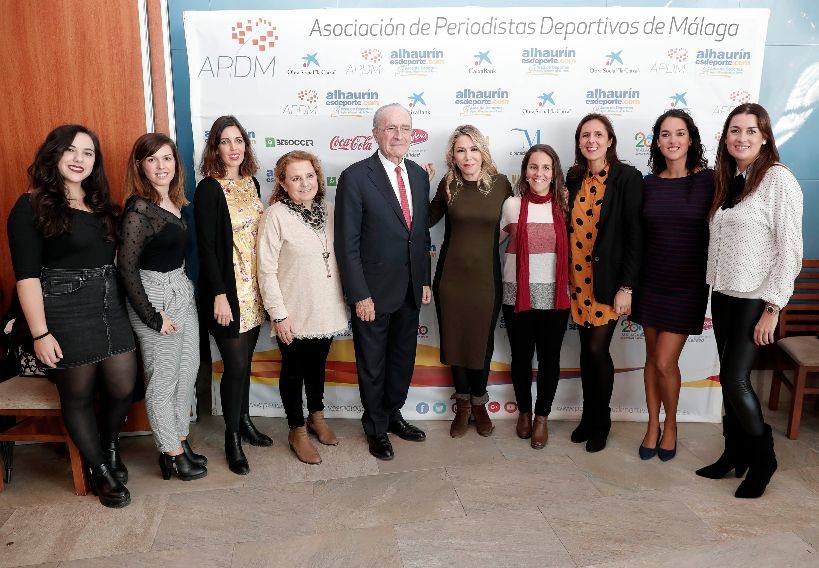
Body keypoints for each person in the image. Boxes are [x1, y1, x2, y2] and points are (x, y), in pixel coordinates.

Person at [7, 125, 137, 507]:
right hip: (62, 309)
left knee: (122, 387)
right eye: (71, 150)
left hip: (109, 305)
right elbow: (27, 277)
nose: (80, 159)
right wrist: (40, 333)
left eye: (88, 153)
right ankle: (99, 469)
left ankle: (109, 446)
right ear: (55, 154)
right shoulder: (30, 205)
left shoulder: (101, 206)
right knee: (77, 395)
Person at [697, 103, 802, 498]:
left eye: (750, 131)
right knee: (728, 381)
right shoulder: (732, 179)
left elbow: (790, 250)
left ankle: (764, 458)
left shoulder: (778, 180)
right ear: (726, 138)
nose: (742, 138)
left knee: (735, 379)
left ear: (765, 137)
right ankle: (733, 454)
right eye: (735, 130)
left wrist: (773, 308)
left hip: (756, 298)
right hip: (723, 293)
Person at [334, 103, 432, 460]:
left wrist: (423, 280)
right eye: (390, 128)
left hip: (409, 289)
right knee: (373, 364)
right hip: (372, 294)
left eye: (404, 128)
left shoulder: (420, 176)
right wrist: (359, 294)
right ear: (375, 134)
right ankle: (375, 427)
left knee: (402, 360)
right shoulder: (356, 176)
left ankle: (393, 414)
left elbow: (419, 235)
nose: (398, 134)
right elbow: (347, 244)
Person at [119, 133, 207, 481]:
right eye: (152, 159)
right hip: (153, 296)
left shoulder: (175, 201)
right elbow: (126, 269)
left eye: (167, 158)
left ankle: (180, 441)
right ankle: (170, 453)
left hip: (180, 288)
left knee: (187, 372)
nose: (161, 166)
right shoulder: (138, 209)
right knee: (164, 379)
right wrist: (153, 317)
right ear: (140, 165)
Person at [630, 110, 714, 462]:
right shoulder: (648, 184)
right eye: (665, 134)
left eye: (680, 133)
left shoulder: (710, 180)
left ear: (691, 139)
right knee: (652, 359)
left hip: (688, 284)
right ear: (657, 141)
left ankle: (673, 424)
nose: (673, 140)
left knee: (666, 360)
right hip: (651, 281)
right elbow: (636, 236)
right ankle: (653, 425)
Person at [257, 151, 348, 465]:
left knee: (318, 366)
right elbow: (266, 269)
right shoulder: (275, 215)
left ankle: (317, 417)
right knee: (293, 371)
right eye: (295, 178)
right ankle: (296, 428)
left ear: (318, 178)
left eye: (309, 176)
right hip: (293, 311)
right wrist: (278, 313)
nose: (304, 183)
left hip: (326, 306)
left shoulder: (333, 211)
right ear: (283, 182)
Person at [194, 115, 269, 475]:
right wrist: (219, 295)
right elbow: (207, 248)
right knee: (235, 366)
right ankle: (231, 438)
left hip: (253, 288)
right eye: (225, 141)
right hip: (228, 293)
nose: (234, 147)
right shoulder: (209, 188)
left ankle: (245, 422)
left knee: (246, 364)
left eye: (239, 140)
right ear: (215, 147)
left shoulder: (252, 183)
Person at [566, 113, 644, 453]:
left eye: (598, 134)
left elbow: (634, 235)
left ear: (610, 140)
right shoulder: (573, 177)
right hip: (576, 278)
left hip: (608, 282)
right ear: (579, 142)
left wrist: (626, 286)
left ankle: (602, 420)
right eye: (585, 135)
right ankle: (588, 416)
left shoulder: (627, 178)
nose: (591, 141)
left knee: (597, 350)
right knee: (586, 351)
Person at [429, 125, 512, 438]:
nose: (468, 156)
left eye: (473, 149)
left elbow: (513, 224)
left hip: (486, 279)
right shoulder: (448, 183)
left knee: (481, 344)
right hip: (450, 279)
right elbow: (424, 220)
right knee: (455, 341)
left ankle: (480, 403)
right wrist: (418, 185)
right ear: (453, 154)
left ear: (483, 152)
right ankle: (462, 405)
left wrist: (493, 242)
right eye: (461, 150)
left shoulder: (502, 185)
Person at [499, 144, 570, 448]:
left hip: (555, 296)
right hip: (517, 295)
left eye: (545, 168)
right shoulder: (511, 205)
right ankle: (524, 413)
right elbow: (489, 242)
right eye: (533, 167)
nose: (538, 173)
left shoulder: (566, 204)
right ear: (525, 171)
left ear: (554, 173)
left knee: (550, 359)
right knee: (521, 359)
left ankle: (542, 417)